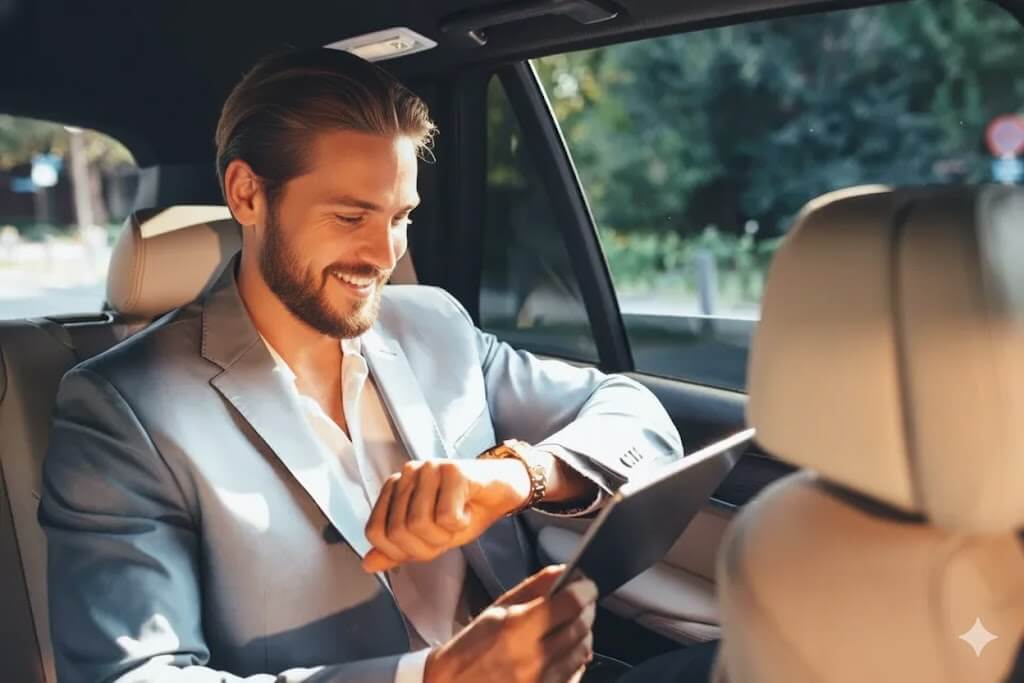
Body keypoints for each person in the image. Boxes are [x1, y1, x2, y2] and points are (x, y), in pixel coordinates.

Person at [39, 47, 718, 683]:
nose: (384, 254)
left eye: (401, 217)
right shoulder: (126, 408)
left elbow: (633, 412)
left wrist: (517, 476)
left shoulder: (433, 325)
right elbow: (136, 674)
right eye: (350, 217)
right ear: (246, 194)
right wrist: (437, 675)